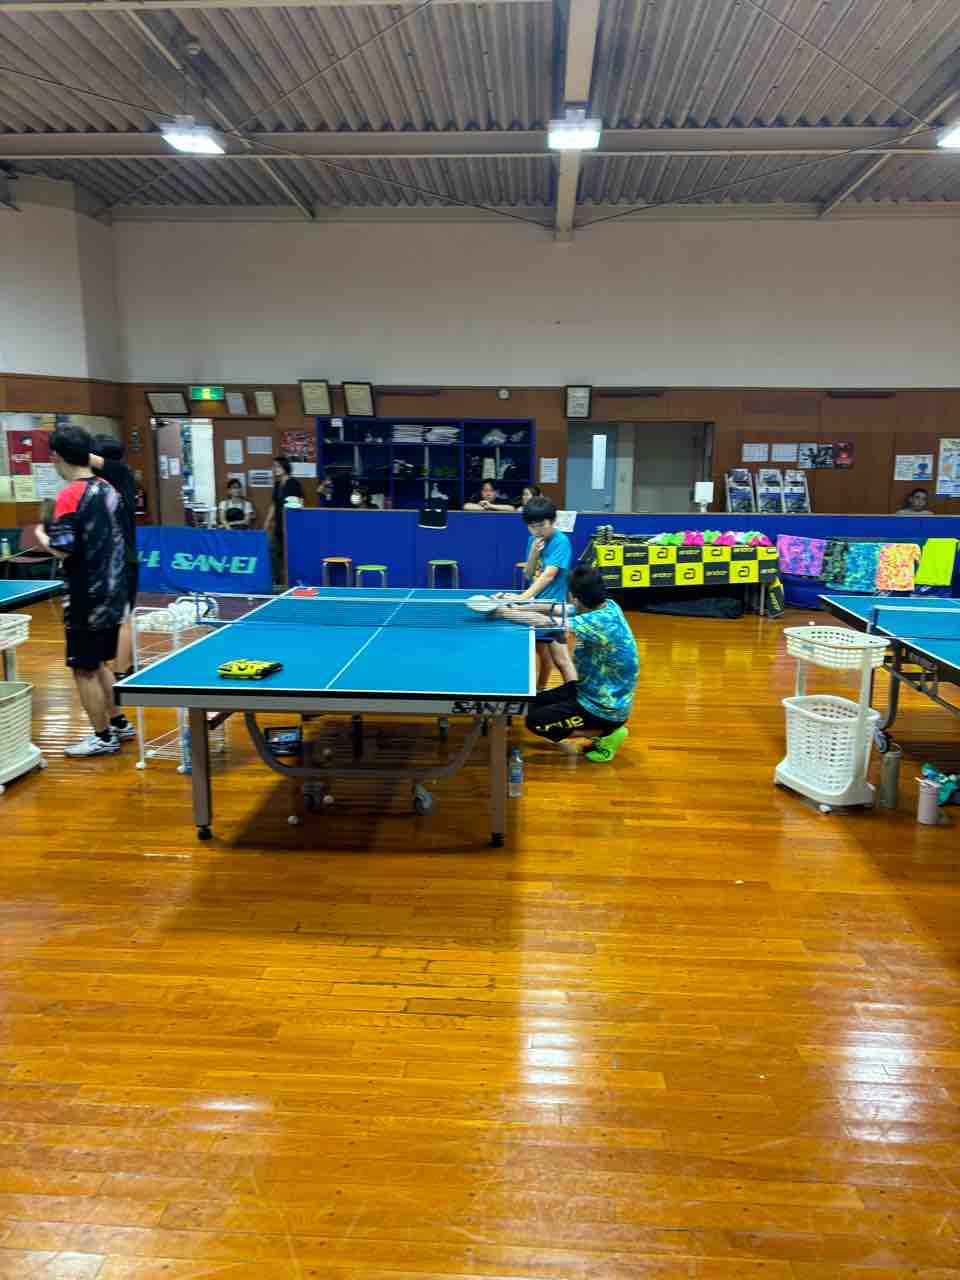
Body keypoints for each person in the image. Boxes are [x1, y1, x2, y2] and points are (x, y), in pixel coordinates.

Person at [32, 426, 132, 757]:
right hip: (112, 591)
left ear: (56, 457)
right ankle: (119, 724)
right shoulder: (107, 488)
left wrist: (41, 536)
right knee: (99, 662)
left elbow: (63, 549)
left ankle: (102, 737)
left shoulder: (70, 495)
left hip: (85, 596)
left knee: (83, 669)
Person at [497, 565, 638, 763]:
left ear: (575, 597)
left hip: (605, 709)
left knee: (535, 722)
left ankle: (606, 733)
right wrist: (518, 605)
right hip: (587, 690)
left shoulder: (599, 621)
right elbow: (558, 609)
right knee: (531, 704)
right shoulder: (607, 606)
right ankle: (604, 728)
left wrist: (502, 612)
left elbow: (546, 621)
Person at [502, 495, 577, 689]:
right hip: (534, 606)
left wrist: (522, 598)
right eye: (532, 526)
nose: (537, 530)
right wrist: (533, 553)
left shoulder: (561, 542)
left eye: (541, 525)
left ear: (552, 521)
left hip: (553, 608)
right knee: (543, 655)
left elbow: (549, 576)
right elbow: (528, 574)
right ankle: (540, 690)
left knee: (561, 660)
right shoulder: (533, 540)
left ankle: (573, 695)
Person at [89, 434, 139, 678]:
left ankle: (121, 673)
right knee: (118, 617)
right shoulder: (96, 486)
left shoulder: (121, 473)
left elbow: (85, 457)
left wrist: (64, 445)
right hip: (105, 561)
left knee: (125, 616)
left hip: (123, 558)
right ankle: (125, 668)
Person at [264, 456, 303, 586]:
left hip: (290, 525)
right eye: (274, 466)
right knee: (275, 552)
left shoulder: (293, 483)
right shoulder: (277, 484)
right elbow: (274, 504)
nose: (275, 469)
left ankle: (291, 581)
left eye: (278, 466)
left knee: (290, 554)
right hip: (278, 524)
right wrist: (267, 521)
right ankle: (278, 581)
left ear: (285, 467)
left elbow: (300, 502)